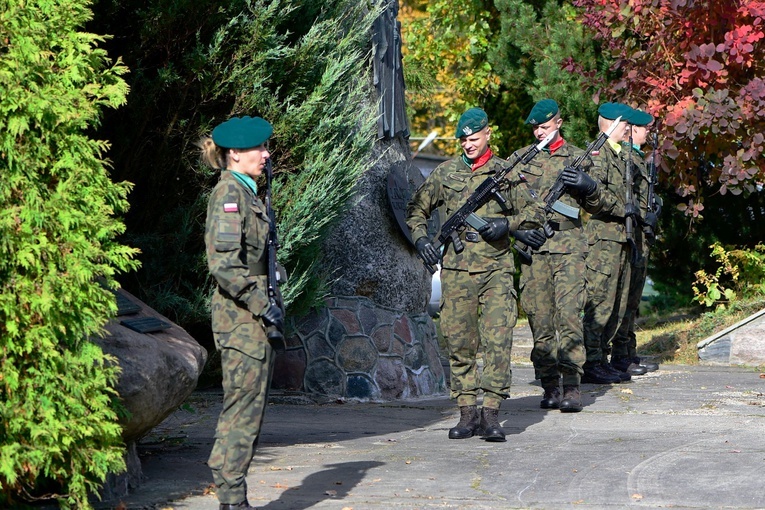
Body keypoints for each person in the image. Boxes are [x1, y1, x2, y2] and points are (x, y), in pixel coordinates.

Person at [406, 107, 546, 441]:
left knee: (498, 342)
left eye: (474, 138)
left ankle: (492, 415)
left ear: (487, 135)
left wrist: (507, 225)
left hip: (496, 271)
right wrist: (422, 239)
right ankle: (467, 413)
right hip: (456, 271)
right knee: (460, 343)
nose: (469, 145)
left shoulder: (506, 173)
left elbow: (536, 211)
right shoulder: (446, 173)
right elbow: (416, 210)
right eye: (464, 140)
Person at [201, 115, 284, 510]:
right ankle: (231, 498)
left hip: (252, 318)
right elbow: (224, 264)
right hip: (241, 320)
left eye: (265, 148)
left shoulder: (248, 192)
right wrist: (261, 304)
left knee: (250, 409)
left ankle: (234, 496)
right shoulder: (229, 195)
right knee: (242, 410)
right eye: (259, 149)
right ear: (235, 154)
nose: (266, 155)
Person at [516, 99, 605, 412]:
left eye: (545, 125)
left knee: (568, 316)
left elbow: (599, 205)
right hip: (535, 248)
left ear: (558, 122)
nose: (539, 131)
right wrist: (518, 232)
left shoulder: (578, 158)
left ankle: (571, 386)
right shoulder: (520, 159)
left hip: (568, 249)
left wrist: (588, 186)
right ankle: (549, 384)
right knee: (540, 319)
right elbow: (507, 205)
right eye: (535, 127)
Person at [582, 102, 635, 385]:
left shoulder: (621, 155)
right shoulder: (598, 154)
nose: (628, 127)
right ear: (612, 123)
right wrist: (622, 207)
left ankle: (602, 358)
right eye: (624, 122)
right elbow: (593, 197)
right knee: (599, 301)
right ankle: (591, 361)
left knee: (616, 302)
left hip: (620, 239)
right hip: (603, 238)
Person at [610, 108, 661, 375]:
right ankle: (620, 355)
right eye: (645, 129)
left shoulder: (638, 158)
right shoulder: (628, 157)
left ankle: (627, 351)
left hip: (641, 233)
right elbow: (630, 199)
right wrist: (645, 216)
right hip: (632, 232)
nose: (647, 133)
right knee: (626, 297)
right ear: (634, 130)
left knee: (633, 298)